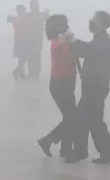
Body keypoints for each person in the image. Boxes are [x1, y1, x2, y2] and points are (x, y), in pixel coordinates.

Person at [63, 11, 110, 164]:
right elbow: (83, 52)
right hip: (93, 86)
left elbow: (88, 50)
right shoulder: (98, 39)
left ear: (102, 23)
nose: (91, 22)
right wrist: (72, 42)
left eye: (94, 20)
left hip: (96, 87)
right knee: (94, 121)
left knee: (82, 118)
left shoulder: (104, 41)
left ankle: (81, 152)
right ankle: (107, 153)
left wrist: (73, 40)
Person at [37, 14, 77, 158]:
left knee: (70, 118)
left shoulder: (59, 40)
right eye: (65, 25)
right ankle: (48, 141)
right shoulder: (59, 42)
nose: (67, 27)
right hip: (61, 85)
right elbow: (73, 54)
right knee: (72, 118)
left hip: (64, 83)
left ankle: (64, 149)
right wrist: (71, 40)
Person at [26, 0, 49, 80]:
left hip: (37, 39)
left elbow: (47, 19)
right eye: (32, 5)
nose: (33, 6)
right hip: (29, 39)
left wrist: (47, 13)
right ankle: (31, 72)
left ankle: (36, 73)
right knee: (31, 56)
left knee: (36, 56)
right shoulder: (28, 15)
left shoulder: (40, 14)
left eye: (35, 4)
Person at [7, 4, 30, 80]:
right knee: (23, 58)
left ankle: (21, 74)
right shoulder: (22, 18)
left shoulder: (17, 18)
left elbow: (9, 19)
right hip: (22, 41)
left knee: (22, 59)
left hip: (19, 40)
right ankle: (17, 72)